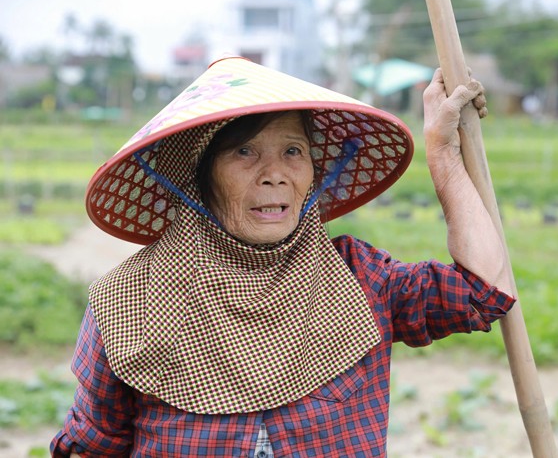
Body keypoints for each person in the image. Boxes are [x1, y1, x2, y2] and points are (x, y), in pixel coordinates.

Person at [51, 56, 514, 457]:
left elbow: (484, 289)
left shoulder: (357, 278)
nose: (275, 174)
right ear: (198, 178)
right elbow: (93, 446)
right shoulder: (129, 303)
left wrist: (443, 152)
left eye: (293, 151)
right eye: (244, 151)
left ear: (313, 171)